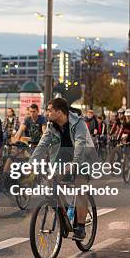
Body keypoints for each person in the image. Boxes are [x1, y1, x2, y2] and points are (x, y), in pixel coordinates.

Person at [30, 97, 98, 240]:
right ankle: (65, 210)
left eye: (49, 110)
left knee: (80, 186)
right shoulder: (51, 126)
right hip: (63, 159)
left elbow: (80, 144)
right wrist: (31, 164)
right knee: (51, 181)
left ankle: (80, 227)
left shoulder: (78, 123)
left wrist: (74, 164)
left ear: (59, 112)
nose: (47, 113)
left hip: (83, 158)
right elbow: (42, 145)